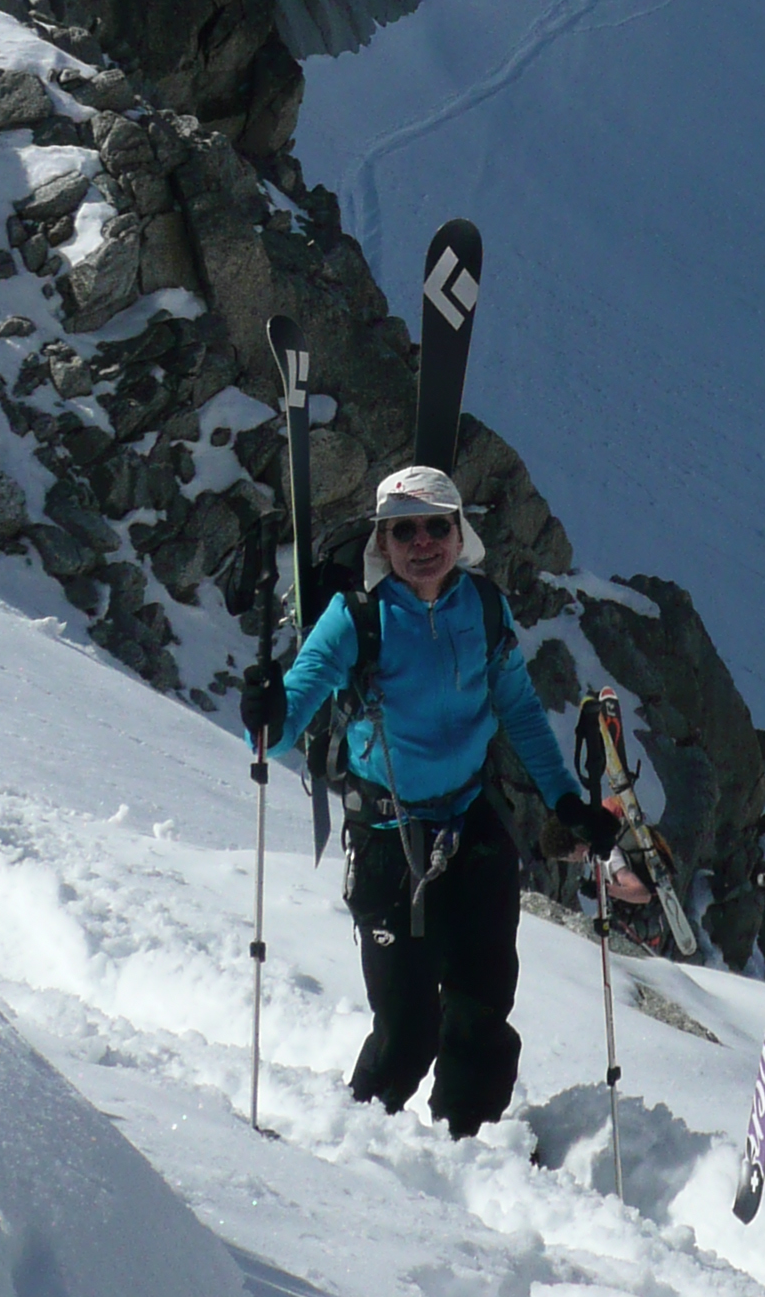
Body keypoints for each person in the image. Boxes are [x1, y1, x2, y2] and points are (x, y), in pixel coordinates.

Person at [244, 463, 622, 1134]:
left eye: (436, 527)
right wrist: (268, 713)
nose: (423, 543)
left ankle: (465, 1154)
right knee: (407, 1031)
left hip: (472, 830)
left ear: (459, 533)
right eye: (404, 530)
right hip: (387, 841)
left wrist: (566, 803)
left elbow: (521, 712)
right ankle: (355, 1151)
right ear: (382, 543)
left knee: (481, 1012)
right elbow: (281, 731)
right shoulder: (354, 618)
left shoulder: (482, 607)